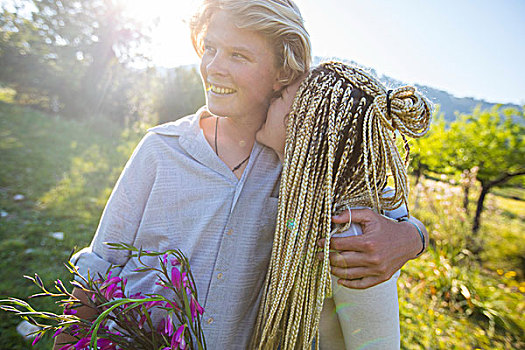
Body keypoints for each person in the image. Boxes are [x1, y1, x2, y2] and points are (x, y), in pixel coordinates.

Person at [55, 1, 428, 349]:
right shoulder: (160, 149)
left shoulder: (302, 171)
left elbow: (377, 210)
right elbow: (100, 267)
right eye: (210, 48)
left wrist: (412, 237)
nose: (214, 66)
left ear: (283, 70)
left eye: (239, 55)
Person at [253, 62, 432, 349]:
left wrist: (415, 236)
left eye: (280, 98)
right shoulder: (297, 186)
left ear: (301, 126)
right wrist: (416, 234)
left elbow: (379, 345)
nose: (269, 99)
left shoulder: (351, 236)